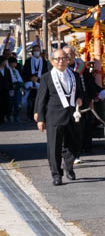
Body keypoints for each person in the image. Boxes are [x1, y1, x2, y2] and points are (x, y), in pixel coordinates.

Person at [34, 48, 84, 185]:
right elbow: (41, 99)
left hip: (73, 116)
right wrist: (40, 119)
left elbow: (80, 92)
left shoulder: (75, 75)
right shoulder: (46, 77)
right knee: (54, 147)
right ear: (52, 61)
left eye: (63, 58)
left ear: (68, 60)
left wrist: (80, 98)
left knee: (74, 144)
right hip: (54, 117)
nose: (61, 61)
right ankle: (56, 174)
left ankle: (69, 167)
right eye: (57, 59)